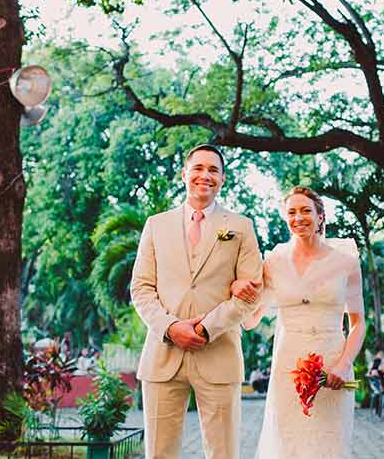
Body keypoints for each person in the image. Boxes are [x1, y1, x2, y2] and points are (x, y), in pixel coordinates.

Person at [130, 144, 263, 459]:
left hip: (219, 354)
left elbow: (250, 293)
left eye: (213, 170)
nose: (205, 175)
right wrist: (171, 327)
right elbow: (141, 287)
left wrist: (205, 329)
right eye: (199, 168)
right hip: (163, 355)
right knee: (159, 454)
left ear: (223, 179)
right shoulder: (156, 224)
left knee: (223, 453)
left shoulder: (241, 227)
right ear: (184, 174)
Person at [235, 186, 366, 459]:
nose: (298, 217)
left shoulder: (346, 262)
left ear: (320, 217)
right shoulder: (273, 262)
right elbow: (250, 321)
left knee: (329, 445)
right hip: (288, 365)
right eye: (291, 212)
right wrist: (239, 289)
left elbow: (358, 323)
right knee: (288, 444)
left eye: (306, 210)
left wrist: (343, 365)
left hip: (333, 363)